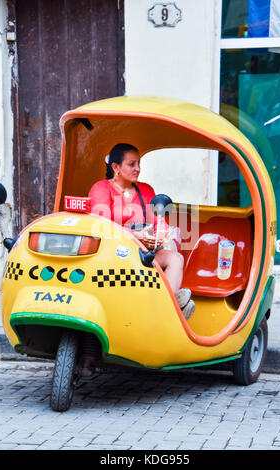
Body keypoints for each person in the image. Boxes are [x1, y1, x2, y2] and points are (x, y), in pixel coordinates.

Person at [80, 143, 195, 377]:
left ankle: (167, 310)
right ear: (115, 167)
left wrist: (160, 235)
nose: (137, 169)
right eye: (131, 164)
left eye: (139, 164)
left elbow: (159, 222)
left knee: (175, 259)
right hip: (110, 257)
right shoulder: (101, 189)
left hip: (143, 254)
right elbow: (99, 226)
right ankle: (177, 306)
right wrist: (132, 235)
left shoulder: (146, 190)